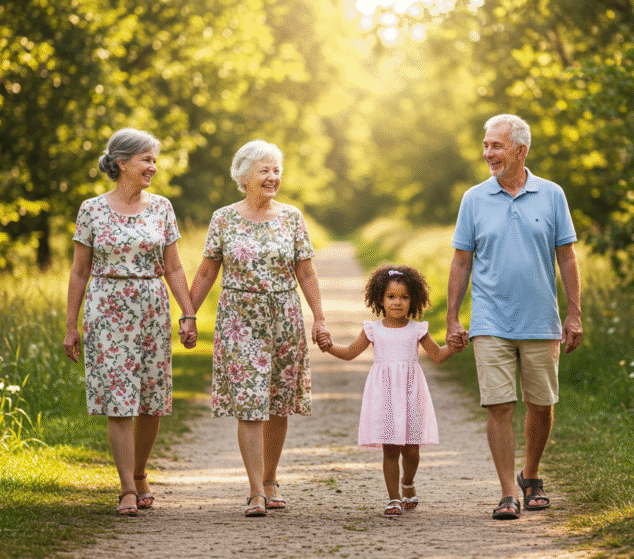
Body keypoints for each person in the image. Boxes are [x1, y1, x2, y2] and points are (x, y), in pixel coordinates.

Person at [446, 114, 582, 520]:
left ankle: (531, 474)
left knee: (541, 403)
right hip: (490, 319)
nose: (488, 153)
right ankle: (508, 491)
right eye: (486, 145)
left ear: (521, 151)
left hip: (541, 318)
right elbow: (460, 261)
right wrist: (453, 318)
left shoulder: (552, 194)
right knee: (499, 405)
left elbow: (567, 256)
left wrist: (574, 313)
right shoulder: (474, 198)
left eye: (496, 146)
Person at [189, 139, 329, 517]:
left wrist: (319, 317)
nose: (272, 177)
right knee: (250, 404)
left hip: (283, 316)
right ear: (244, 175)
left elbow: (306, 271)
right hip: (239, 318)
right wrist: (188, 314)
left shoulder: (292, 217)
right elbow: (206, 271)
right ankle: (255, 490)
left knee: (277, 401)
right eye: (264, 170)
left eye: (276, 170)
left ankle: (270, 478)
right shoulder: (224, 218)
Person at [63, 128, 199, 516]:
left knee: (151, 402)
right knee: (120, 400)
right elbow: (78, 272)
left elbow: (173, 266)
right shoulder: (91, 209)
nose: (153, 167)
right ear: (122, 163)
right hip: (107, 309)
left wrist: (188, 313)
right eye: (146, 160)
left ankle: (140, 473)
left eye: (154, 160)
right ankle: (126, 488)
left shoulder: (162, 208)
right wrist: (71, 326)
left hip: (152, 308)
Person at [316, 264, 458, 517]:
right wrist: (328, 347)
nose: (397, 303)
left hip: (411, 394)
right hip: (386, 396)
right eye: (391, 297)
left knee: (411, 450)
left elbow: (437, 356)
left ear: (413, 299)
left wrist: (454, 347)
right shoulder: (373, 329)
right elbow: (349, 353)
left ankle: (408, 483)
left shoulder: (417, 329)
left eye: (404, 297)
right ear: (380, 299)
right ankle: (394, 498)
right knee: (391, 448)